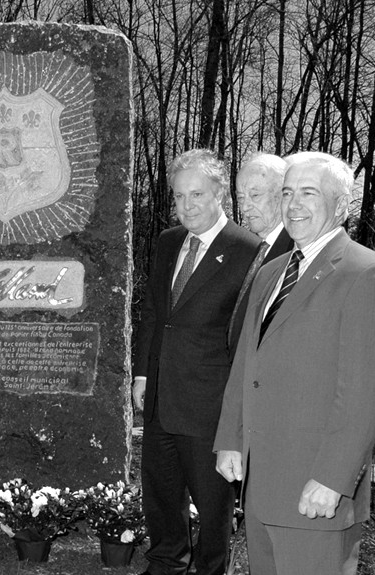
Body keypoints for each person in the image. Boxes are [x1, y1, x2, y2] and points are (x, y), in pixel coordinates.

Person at [214, 153, 375, 575]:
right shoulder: (272, 272)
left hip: (315, 491)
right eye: (287, 193)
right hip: (261, 485)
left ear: (341, 205)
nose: (293, 204)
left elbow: (365, 394)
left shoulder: (368, 273)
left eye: (308, 193)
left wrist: (334, 479)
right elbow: (248, 361)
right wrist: (230, 436)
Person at [133, 149, 260, 575]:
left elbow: (247, 338)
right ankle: (165, 563)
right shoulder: (168, 242)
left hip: (210, 406)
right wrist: (143, 372)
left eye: (197, 194)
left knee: (213, 506)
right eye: (179, 196)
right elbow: (153, 311)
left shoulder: (248, 251)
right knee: (161, 495)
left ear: (220, 192)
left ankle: (210, 569)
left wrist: (238, 412)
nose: (187, 206)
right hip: (160, 398)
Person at [228, 153, 293, 350]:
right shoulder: (253, 250)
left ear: (283, 195)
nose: (245, 207)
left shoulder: (295, 254)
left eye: (255, 195)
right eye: (240, 198)